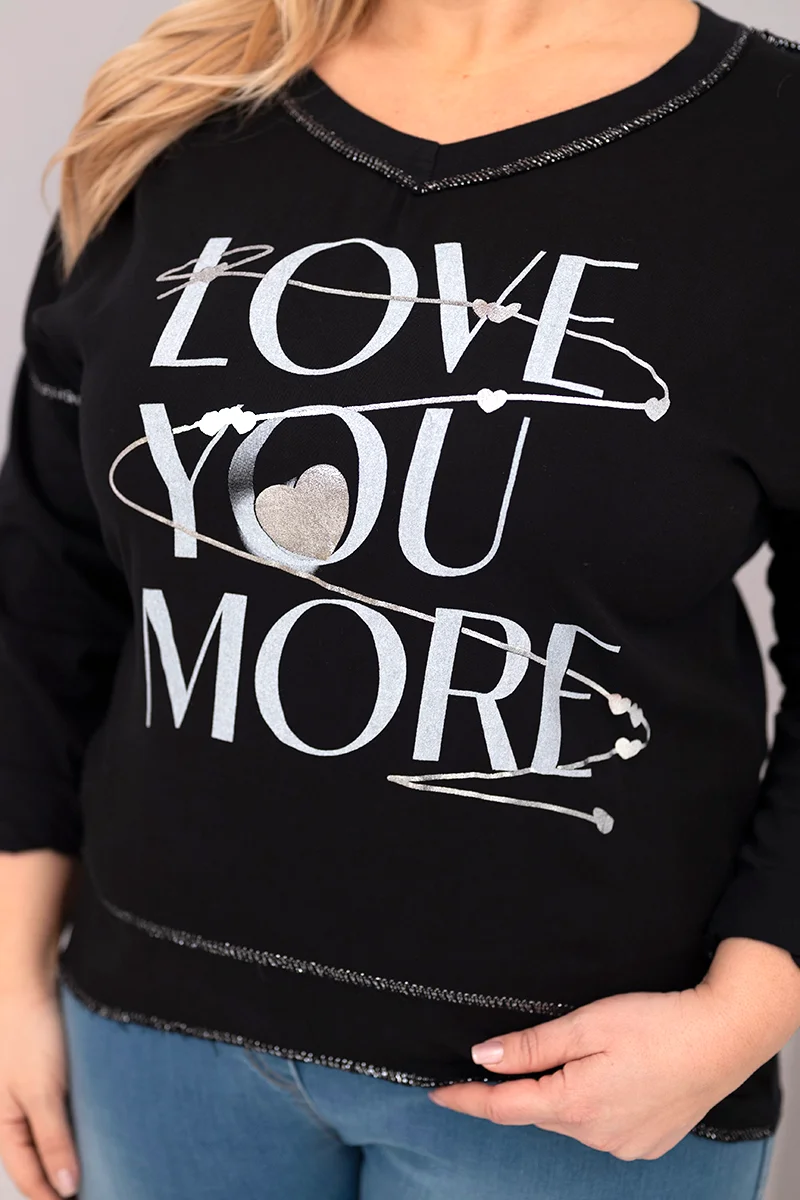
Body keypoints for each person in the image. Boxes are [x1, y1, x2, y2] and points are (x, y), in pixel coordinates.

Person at [1, 0, 799, 1195]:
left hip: (581, 1088)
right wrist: (9, 972)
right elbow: (46, 579)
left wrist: (746, 1010)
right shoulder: (183, 103)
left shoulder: (769, 143)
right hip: (151, 1049)